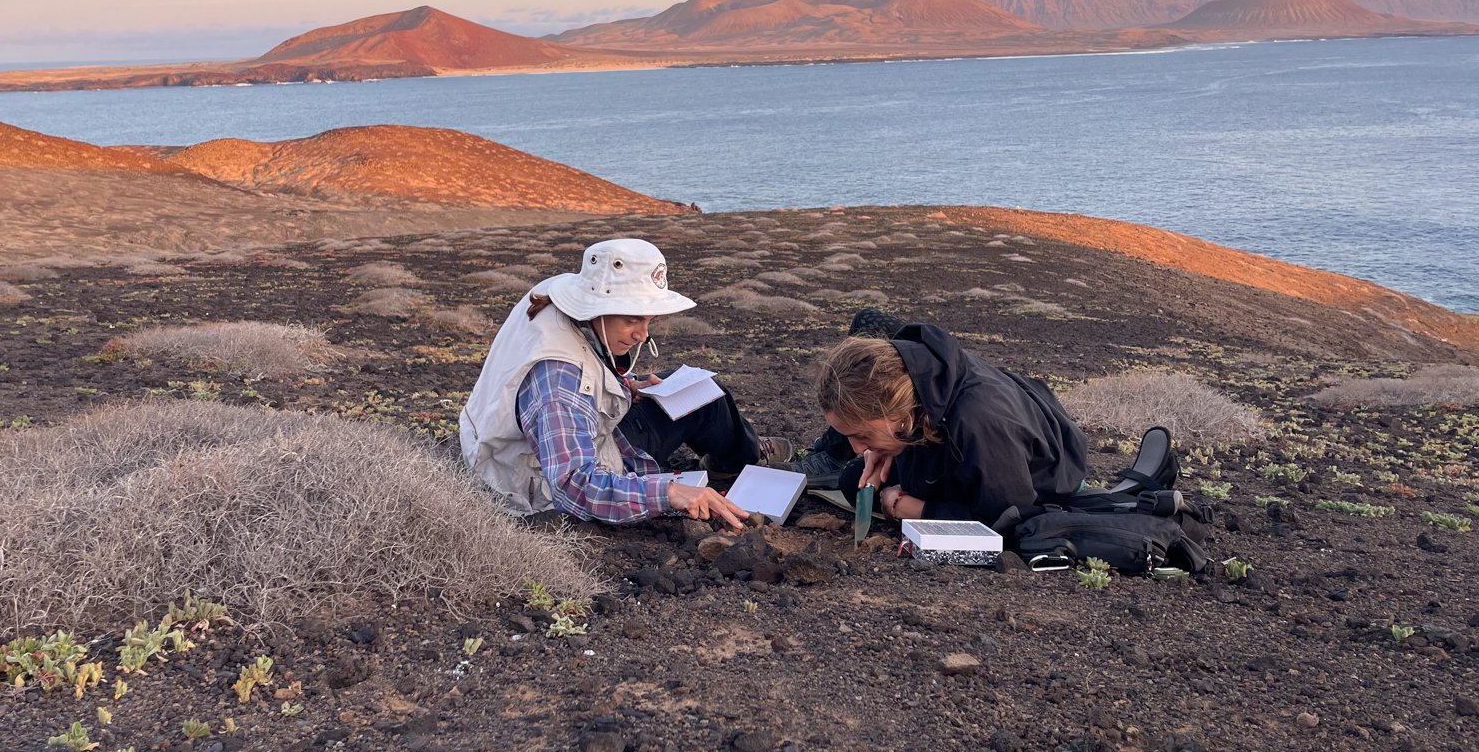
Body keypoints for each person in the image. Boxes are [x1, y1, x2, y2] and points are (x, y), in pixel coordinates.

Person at [460, 238, 784, 529]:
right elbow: (576, 485)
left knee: (701, 393)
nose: (643, 334)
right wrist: (671, 493)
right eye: (632, 319)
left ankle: (736, 460)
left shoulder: (560, 299)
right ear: (600, 308)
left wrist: (627, 384)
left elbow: (582, 367)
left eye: (648, 319)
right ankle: (743, 462)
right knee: (706, 408)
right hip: (536, 478)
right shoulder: (560, 380)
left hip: (581, 433)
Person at [807, 318, 1088, 532]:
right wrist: (884, 444)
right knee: (855, 481)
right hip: (951, 445)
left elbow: (1010, 517)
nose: (857, 448)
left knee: (881, 490)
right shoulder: (918, 381)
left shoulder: (980, 424)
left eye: (861, 435)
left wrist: (922, 511)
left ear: (896, 412)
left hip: (1030, 483)